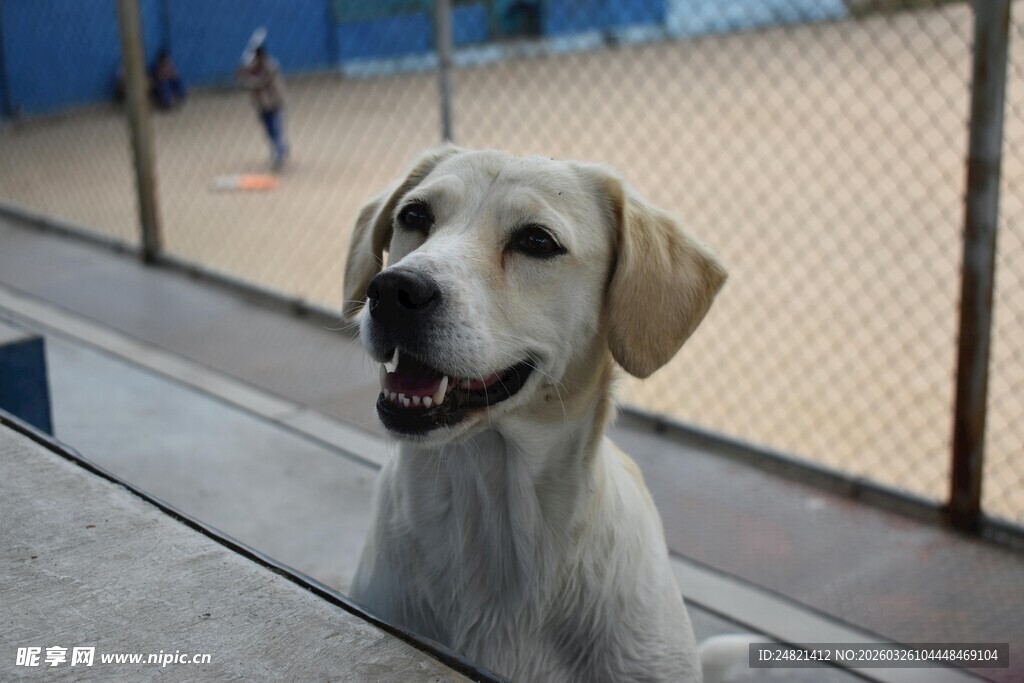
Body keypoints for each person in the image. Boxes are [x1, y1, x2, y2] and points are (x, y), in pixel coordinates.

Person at [235, 45, 288, 170]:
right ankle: (280, 147)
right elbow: (247, 78)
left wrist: (244, 79)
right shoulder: (253, 67)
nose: (256, 61)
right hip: (262, 105)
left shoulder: (270, 66)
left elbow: (261, 82)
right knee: (269, 131)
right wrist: (242, 74)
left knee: (277, 129)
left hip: (275, 103)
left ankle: (279, 153)